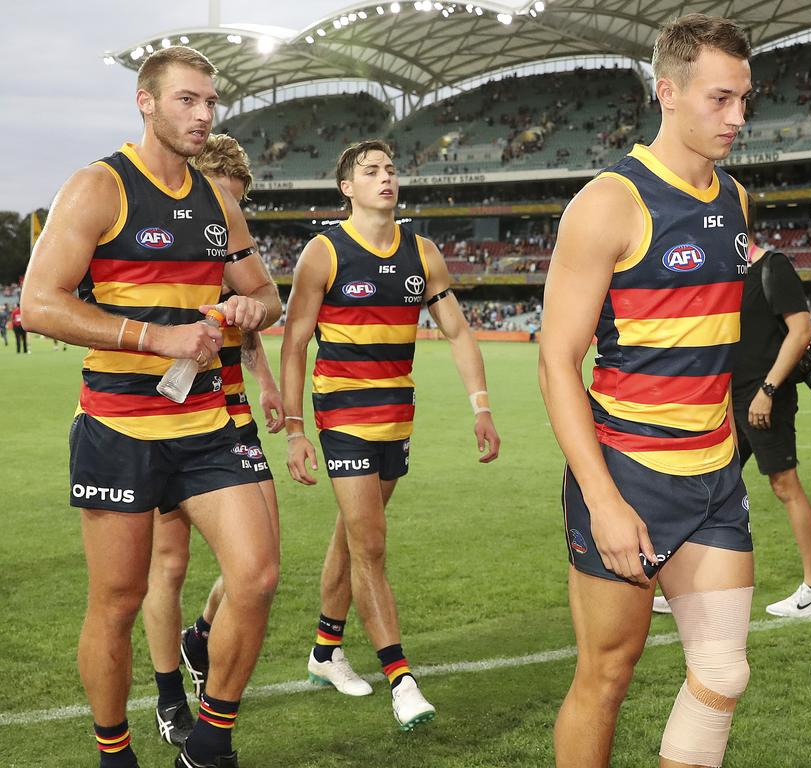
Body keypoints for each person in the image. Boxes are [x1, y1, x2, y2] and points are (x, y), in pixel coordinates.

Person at [19, 46, 281, 768]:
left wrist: (243, 308)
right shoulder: (97, 187)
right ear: (146, 102)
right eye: (186, 101)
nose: (202, 116)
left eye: (209, 103)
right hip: (117, 429)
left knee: (256, 577)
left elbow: (267, 295)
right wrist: (153, 335)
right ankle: (115, 753)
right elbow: (41, 304)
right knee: (119, 600)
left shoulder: (217, 200)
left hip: (204, 427)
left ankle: (210, 742)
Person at [539, 15, 754, 767]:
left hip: (717, 474)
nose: (737, 118)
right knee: (605, 677)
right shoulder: (609, 202)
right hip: (631, 473)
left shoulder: (736, 198)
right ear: (668, 91)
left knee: (724, 674)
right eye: (720, 99)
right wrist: (603, 500)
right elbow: (556, 360)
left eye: (743, 100)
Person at [280, 139, 500, 731]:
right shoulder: (323, 253)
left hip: (396, 416)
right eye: (370, 171)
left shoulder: (423, 253)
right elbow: (296, 341)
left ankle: (325, 652)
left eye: (391, 169)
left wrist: (480, 406)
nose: (386, 178)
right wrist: (296, 428)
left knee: (352, 538)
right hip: (342, 416)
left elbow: (456, 332)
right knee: (371, 547)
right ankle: (401, 680)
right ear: (346, 187)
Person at [140, 134, 285, 748]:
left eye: (236, 210)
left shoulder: (229, 234)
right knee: (169, 563)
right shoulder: (165, 231)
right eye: (222, 205)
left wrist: (269, 380)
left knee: (260, 562)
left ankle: (201, 635)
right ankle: (170, 697)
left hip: (232, 415)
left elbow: (252, 310)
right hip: (165, 414)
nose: (227, 225)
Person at [732, 238, 811, 617]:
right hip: (730, 397)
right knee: (710, 486)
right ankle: (697, 587)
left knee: (784, 484)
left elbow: (800, 331)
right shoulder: (730, 271)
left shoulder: (773, 266)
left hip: (763, 396)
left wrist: (768, 390)